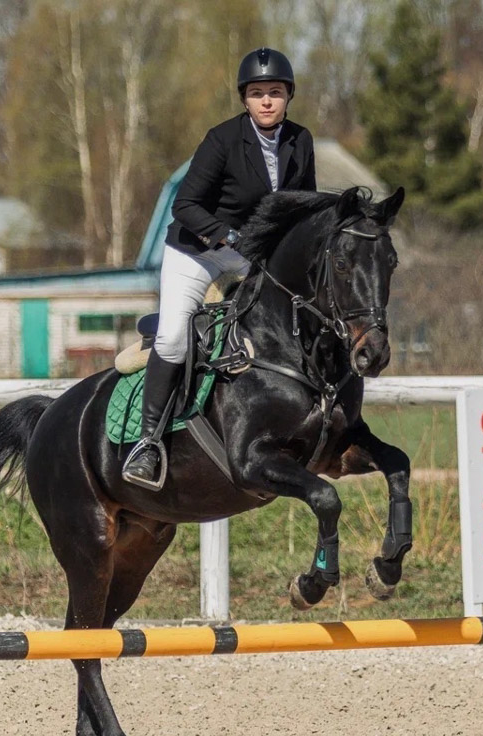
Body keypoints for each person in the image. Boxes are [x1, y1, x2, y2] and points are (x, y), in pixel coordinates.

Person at [123, 47, 317, 490]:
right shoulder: (223, 139)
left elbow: (304, 206)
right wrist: (226, 236)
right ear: (244, 99)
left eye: (275, 92)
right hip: (198, 250)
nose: (266, 101)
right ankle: (148, 443)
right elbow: (185, 204)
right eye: (257, 93)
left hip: (250, 254)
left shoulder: (300, 141)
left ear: (288, 96)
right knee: (174, 337)